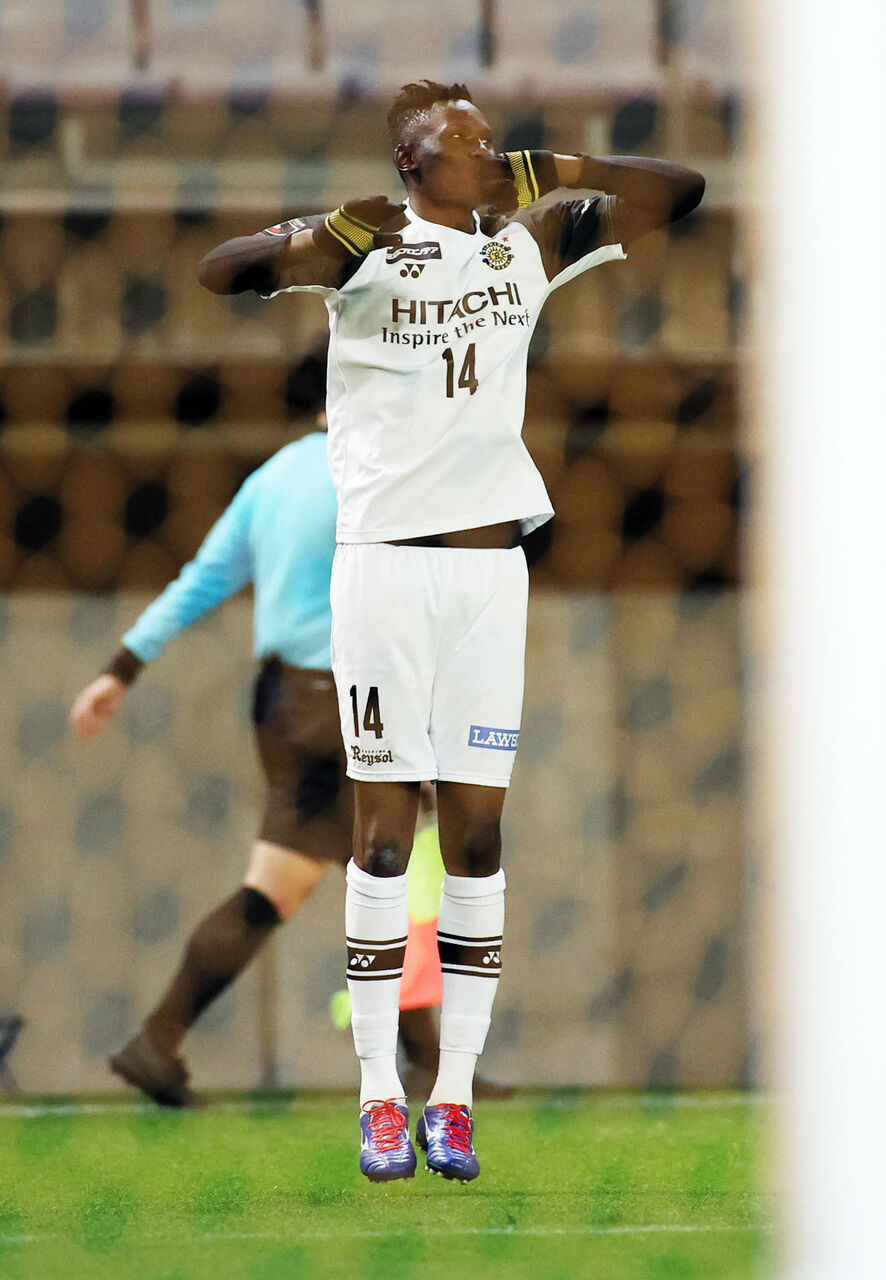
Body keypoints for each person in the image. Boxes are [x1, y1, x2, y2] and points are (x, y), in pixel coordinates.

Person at [197, 78, 705, 1182]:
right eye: (461, 139)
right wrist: (320, 236)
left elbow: (681, 190)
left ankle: (455, 1101)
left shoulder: (525, 247)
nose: (485, 150)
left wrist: (562, 169)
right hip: (383, 574)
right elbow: (221, 272)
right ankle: (379, 1099)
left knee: (476, 840)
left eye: (490, 138)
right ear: (412, 163)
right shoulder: (364, 252)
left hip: (488, 579)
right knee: (383, 841)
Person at [69, 426, 512, 1105]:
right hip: (346, 699)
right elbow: (413, 592)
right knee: (354, 872)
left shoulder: (272, 477)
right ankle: (159, 1040)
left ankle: (423, 1056)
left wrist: (121, 668)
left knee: (375, 869)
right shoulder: (379, 466)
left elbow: (203, 578)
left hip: (282, 703)